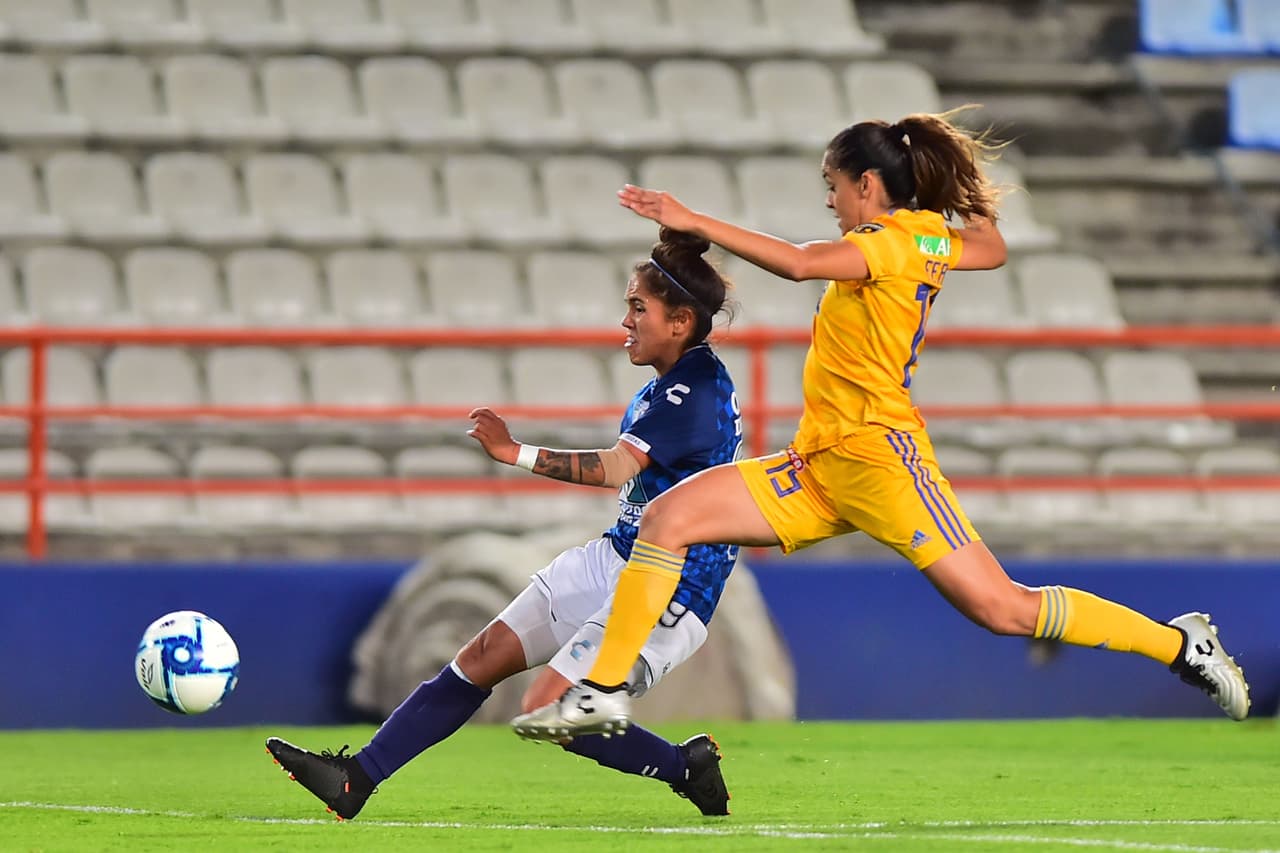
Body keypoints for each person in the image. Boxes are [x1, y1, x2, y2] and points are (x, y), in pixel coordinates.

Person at [510, 109, 1252, 741]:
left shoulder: (888, 243)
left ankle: (1178, 642)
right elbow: (988, 247)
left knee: (1002, 608)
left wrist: (692, 218)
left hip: (880, 461)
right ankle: (600, 689)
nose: (831, 202)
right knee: (667, 518)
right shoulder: (927, 238)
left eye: (833, 186)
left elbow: (802, 265)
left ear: (867, 184)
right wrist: (963, 194)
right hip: (818, 464)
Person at [265, 226, 744, 820]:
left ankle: (684, 767)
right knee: (485, 652)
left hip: (669, 585)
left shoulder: (694, 393)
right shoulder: (669, 384)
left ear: (679, 322)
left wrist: (514, 452)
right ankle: (355, 780)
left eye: (637, 307)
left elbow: (615, 468)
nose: (625, 321)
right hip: (619, 557)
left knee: (550, 711)